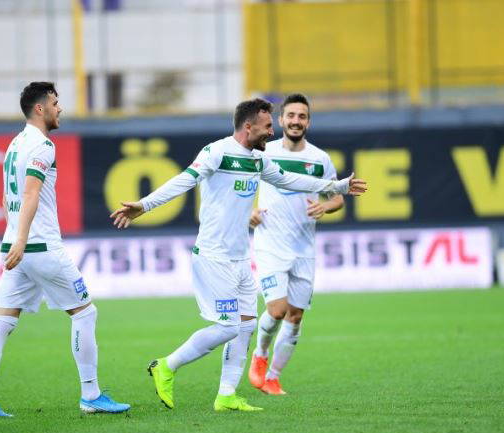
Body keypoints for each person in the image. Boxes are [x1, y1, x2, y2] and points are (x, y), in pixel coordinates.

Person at [111, 98, 367, 412]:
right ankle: (166, 365)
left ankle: (227, 395)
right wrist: (144, 205)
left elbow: (290, 179)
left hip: (241, 258)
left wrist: (338, 187)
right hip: (213, 256)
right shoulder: (217, 151)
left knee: (246, 326)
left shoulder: (258, 160)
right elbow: (184, 180)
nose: (271, 132)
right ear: (248, 126)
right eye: (267, 126)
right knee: (228, 327)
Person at [0, 82, 129, 417]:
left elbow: (6, 198)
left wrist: (15, 238)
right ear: (40, 108)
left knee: (2, 321)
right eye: (55, 102)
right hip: (39, 246)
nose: (60, 108)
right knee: (85, 313)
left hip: (15, 247)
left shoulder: (14, 145)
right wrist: (23, 240)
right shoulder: (43, 146)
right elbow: (30, 193)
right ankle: (91, 394)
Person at [247, 93, 342, 395]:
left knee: (296, 316)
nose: (296, 121)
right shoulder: (264, 152)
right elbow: (240, 187)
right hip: (270, 245)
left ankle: (273, 377)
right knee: (277, 310)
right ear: (281, 120)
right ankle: (260, 355)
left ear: (308, 122)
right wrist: (248, 211)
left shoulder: (320, 159)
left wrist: (326, 206)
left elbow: (337, 197)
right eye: (291, 115)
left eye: (302, 116)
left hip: (304, 249)